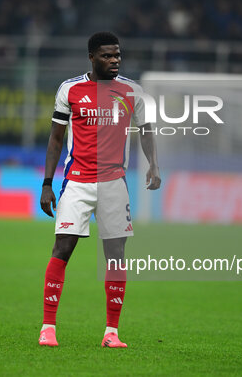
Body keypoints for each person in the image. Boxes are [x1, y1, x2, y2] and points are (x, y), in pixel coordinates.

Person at [39, 32, 161, 348]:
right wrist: (47, 184)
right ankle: (48, 327)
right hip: (76, 182)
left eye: (117, 55)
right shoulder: (70, 89)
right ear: (92, 57)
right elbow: (55, 139)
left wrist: (154, 165)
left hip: (114, 184)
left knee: (116, 257)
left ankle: (112, 333)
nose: (115, 60)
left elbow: (147, 132)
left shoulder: (132, 91)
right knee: (62, 249)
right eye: (107, 56)